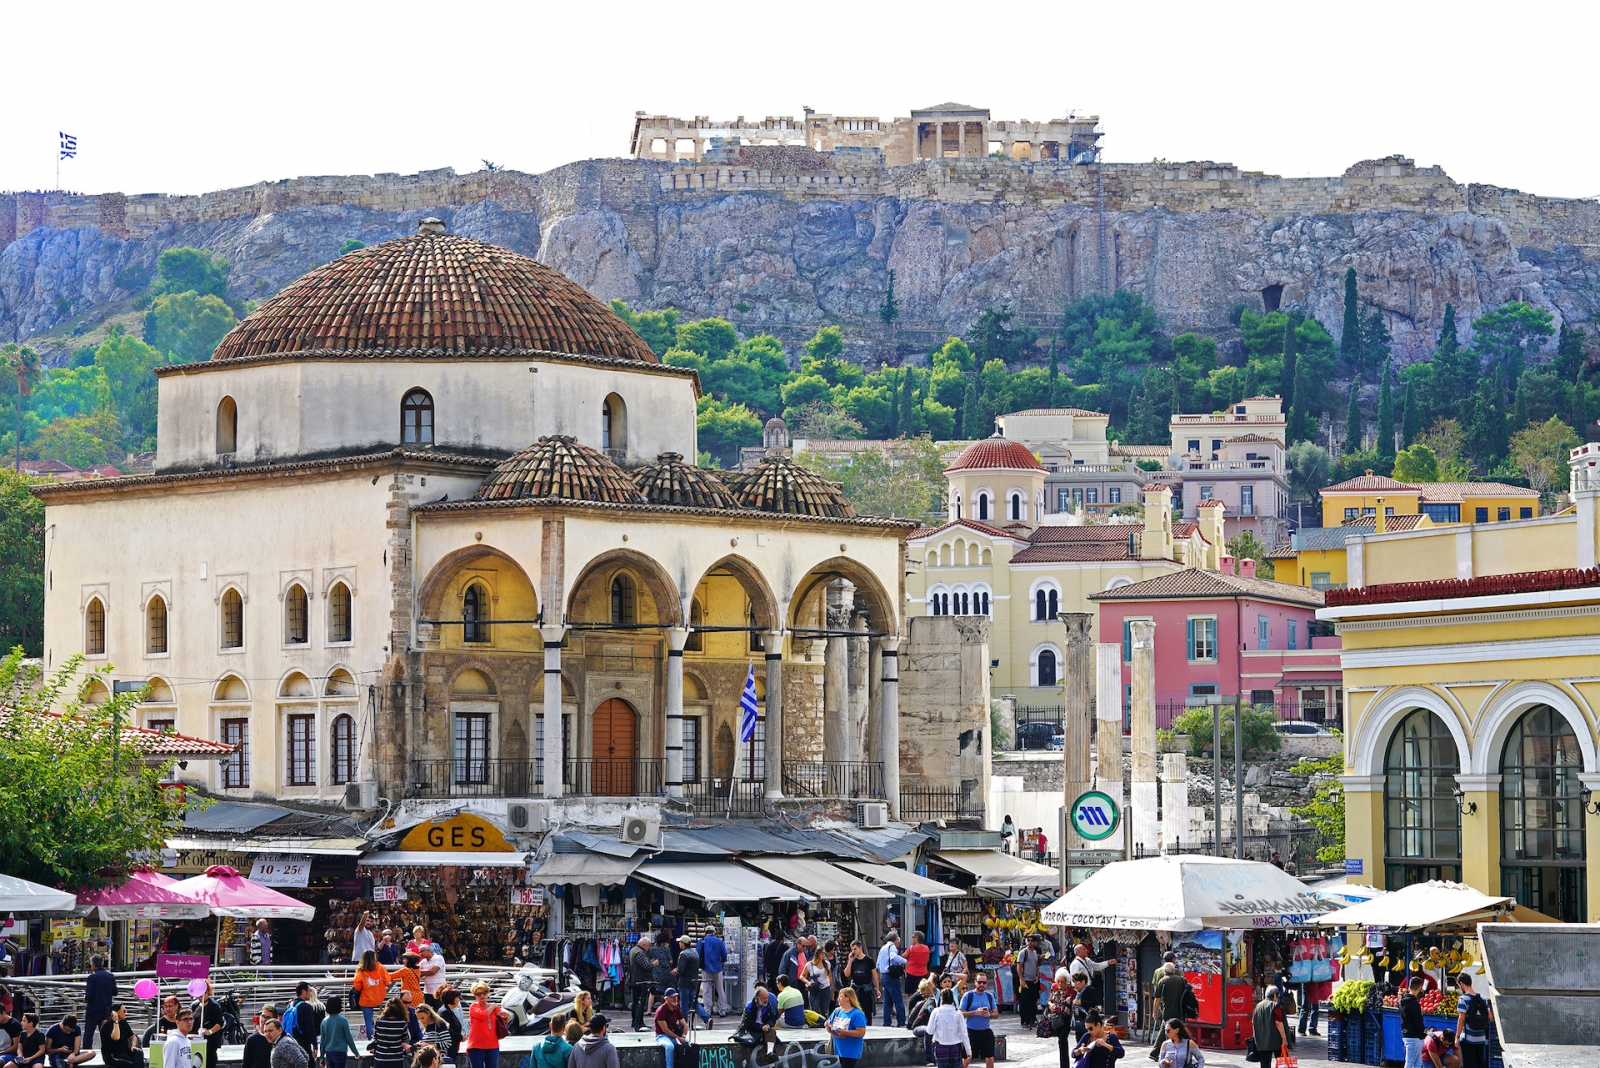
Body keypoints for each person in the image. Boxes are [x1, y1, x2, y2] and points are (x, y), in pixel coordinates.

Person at [1149, 959, 1191, 1058]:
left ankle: (1156, 1052)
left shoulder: (1162, 981)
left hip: (1167, 1011)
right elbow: (1192, 990)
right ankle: (1182, 1052)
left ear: (1164, 971)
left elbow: (1157, 999)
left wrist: (1154, 1012)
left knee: (1167, 1031)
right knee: (1178, 1031)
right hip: (1180, 1010)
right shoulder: (1181, 980)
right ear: (1173, 970)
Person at [959, 970, 998, 1068]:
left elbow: (996, 1014)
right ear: (975, 982)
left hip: (986, 1030)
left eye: (984, 983)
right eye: (979, 982)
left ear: (986, 984)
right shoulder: (968, 995)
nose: (981, 984)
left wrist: (990, 1015)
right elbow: (960, 1014)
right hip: (971, 1031)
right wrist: (975, 1013)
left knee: (990, 1057)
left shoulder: (989, 996)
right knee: (968, 1058)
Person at [1453, 972, 1491, 1068]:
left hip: (1468, 1039)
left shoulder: (1463, 999)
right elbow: (1490, 1016)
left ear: (1461, 984)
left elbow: (1461, 1019)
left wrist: (1457, 1037)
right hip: (1481, 1038)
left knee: (1470, 1064)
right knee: (1480, 1064)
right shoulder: (1482, 998)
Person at [351, 949, 391, 1038]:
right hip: (379, 998)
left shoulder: (361, 971)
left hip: (366, 1000)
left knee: (368, 1022)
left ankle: (371, 1041)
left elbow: (357, 987)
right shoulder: (381, 968)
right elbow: (387, 980)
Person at [466, 982, 506, 1068]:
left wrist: (507, 1016)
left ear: (487, 993)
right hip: (476, 1046)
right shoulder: (473, 1006)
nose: (481, 995)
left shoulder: (495, 1007)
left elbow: (503, 1020)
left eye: (483, 993)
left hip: (493, 1045)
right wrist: (491, 1007)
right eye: (478, 994)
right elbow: (482, 1015)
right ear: (475, 995)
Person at [825, 988, 868, 1068]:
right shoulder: (837, 1011)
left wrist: (846, 1032)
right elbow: (830, 1029)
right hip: (840, 1049)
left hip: (851, 1050)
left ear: (848, 998)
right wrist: (827, 1027)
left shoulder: (857, 1014)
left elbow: (861, 1032)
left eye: (841, 996)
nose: (838, 999)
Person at [673, 935, 709, 1028]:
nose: (679, 944)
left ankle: (684, 1023)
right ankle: (706, 1018)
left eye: (680, 942)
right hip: (693, 981)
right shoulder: (695, 953)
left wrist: (675, 972)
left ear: (683, 943)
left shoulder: (683, 954)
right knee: (694, 1002)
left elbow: (680, 970)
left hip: (684, 981)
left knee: (684, 1004)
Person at [927, 989, 968, 1068]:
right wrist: (968, 1051)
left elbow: (930, 1031)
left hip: (941, 1046)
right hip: (956, 1046)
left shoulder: (936, 1011)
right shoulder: (958, 1013)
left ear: (942, 998)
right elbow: (964, 1033)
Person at [282, 983, 325, 1058]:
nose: (310, 993)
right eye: (309, 990)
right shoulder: (306, 1007)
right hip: (303, 1042)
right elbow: (310, 1027)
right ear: (303, 992)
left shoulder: (291, 1004)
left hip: (291, 1039)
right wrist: (315, 1045)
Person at [191, 981, 226, 1068]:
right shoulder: (194, 1005)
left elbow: (219, 1023)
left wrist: (209, 1031)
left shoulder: (214, 1006)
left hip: (210, 1041)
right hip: (196, 1040)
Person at [82, 958, 116, 1050]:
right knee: (106, 1032)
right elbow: (115, 992)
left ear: (93, 964)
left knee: (89, 1033)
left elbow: (89, 995)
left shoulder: (92, 977)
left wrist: (85, 997)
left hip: (93, 1009)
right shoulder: (110, 976)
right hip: (107, 1008)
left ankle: (86, 1052)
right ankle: (108, 1051)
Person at [369, 1000, 411, 1068]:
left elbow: (376, 1037)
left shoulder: (379, 1021)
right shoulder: (402, 1023)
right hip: (396, 1059)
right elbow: (406, 1039)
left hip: (380, 1058)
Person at [1253, 987, 1288, 1067]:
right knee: (1281, 1063)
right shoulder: (1275, 1006)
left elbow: (1254, 1022)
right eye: (1277, 996)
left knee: (1264, 1064)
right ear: (1275, 995)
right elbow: (1278, 1023)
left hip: (1261, 1040)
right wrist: (1284, 1038)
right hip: (1275, 1040)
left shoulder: (1258, 1006)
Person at [878, 934, 908, 1027]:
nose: (899, 943)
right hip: (892, 977)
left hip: (884, 976)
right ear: (895, 940)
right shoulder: (892, 947)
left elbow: (878, 964)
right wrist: (905, 961)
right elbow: (893, 957)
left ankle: (886, 1022)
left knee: (887, 1001)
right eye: (898, 941)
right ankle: (901, 1021)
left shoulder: (883, 948)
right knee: (898, 1000)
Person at [699, 926, 729, 1017]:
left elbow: (698, 953)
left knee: (707, 989)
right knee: (720, 989)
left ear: (705, 932)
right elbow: (724, 955)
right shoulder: (719, 941)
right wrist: (722, 961)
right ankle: (722, 1010)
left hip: (706, 967)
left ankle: (707, 1010)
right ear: (714, 932)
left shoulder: (702, 941)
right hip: (718, 968)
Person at [653, 989, 687, 1068]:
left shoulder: (677, 1009)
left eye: (676, 996)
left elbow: (685, 1025)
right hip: (661, 1036)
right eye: (672, 997)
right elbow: (665, 1029)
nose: (675, 999)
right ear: (666, 999)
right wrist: (678, 1038)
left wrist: (683, 1036)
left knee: (688, 1044)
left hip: (674, 1035)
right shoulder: (660, 1010)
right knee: (669, 1046)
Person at [845, 941, 877, 1024]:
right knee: (854, 1009)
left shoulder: (869, 960)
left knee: (867, 1010)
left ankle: (868, 1026)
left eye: (855, 949)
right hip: (855, 989)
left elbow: (875, 975)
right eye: (852, 950)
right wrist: (850, 961)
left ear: (860, 948)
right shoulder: (853, 961)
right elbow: (846, 974)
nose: (854, 951)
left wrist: (877, 988)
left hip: (866, 989)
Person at [319, 996, 356, 1068]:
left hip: (328, 1052)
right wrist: (356, 1053)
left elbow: (322, 1041)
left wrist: (321, 1057)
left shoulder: (324, 1021)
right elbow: (349, 1038)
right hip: (340, 1052)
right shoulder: (343, 1020)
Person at [628, 936, 656, 1032]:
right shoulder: (639, 952)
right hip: (640, 981)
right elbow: (646, 966)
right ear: (644, 945)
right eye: (648, 946)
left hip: (635, 980)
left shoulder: (633, 950)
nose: (648, 949)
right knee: (640, 1003)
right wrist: (653, 964)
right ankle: (638, 1023)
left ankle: (636, 1021)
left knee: (636, 1002)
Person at [1016, 935, 1043, 1029]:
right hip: (1025, 980)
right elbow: (1019, 966)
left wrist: (1037, 976)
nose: (1030, 942)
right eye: (1028, 940)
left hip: (1033, 980)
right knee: (1024, 1002)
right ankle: (1024, 1021)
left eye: (1032, 941)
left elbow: (1036, 965)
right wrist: (1021, 980)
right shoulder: (1023, 952)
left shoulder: (1035, 953)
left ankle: (1032, 1020)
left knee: (1032, 1002)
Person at [1399, 976, 1426, 1068]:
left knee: (1417, 1063)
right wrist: (1423, 1034)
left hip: (1406, 1034)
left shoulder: (1401, 1001)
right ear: (1420, 987)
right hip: (1415, 1036)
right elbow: (1418, 1021)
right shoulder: (1414, 1003)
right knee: (1410, 1063)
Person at [806, 942, 835, 1017]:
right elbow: (801, 976)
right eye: (822, 953)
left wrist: (832, 991)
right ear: (817, 954)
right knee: (815, 1009)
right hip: (815, 989)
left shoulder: (827, 963)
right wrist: (807, 982)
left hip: (826, 988)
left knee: (824, 1011)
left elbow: (830, 977)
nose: (823, 955)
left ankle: (824, 1024)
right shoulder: (810, 964)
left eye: (824, 954)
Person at [437, 987, 465, 1063]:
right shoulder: (445, 1012)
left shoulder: (448, 1011)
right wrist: (460, 1037)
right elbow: (447, 1032)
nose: (459, 1000)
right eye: (457, 997)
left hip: (452, 1046)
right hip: (447, 1048)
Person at [905, 932, 932, 996]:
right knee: (923, 992)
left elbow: (903, 956)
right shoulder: (926, 948)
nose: (912, 939)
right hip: (923, 972)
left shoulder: (911, 948)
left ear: (916, 939)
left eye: (913, 938)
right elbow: (927, 960)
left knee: (910, 993)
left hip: (911, 972)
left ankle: (911, 1005)